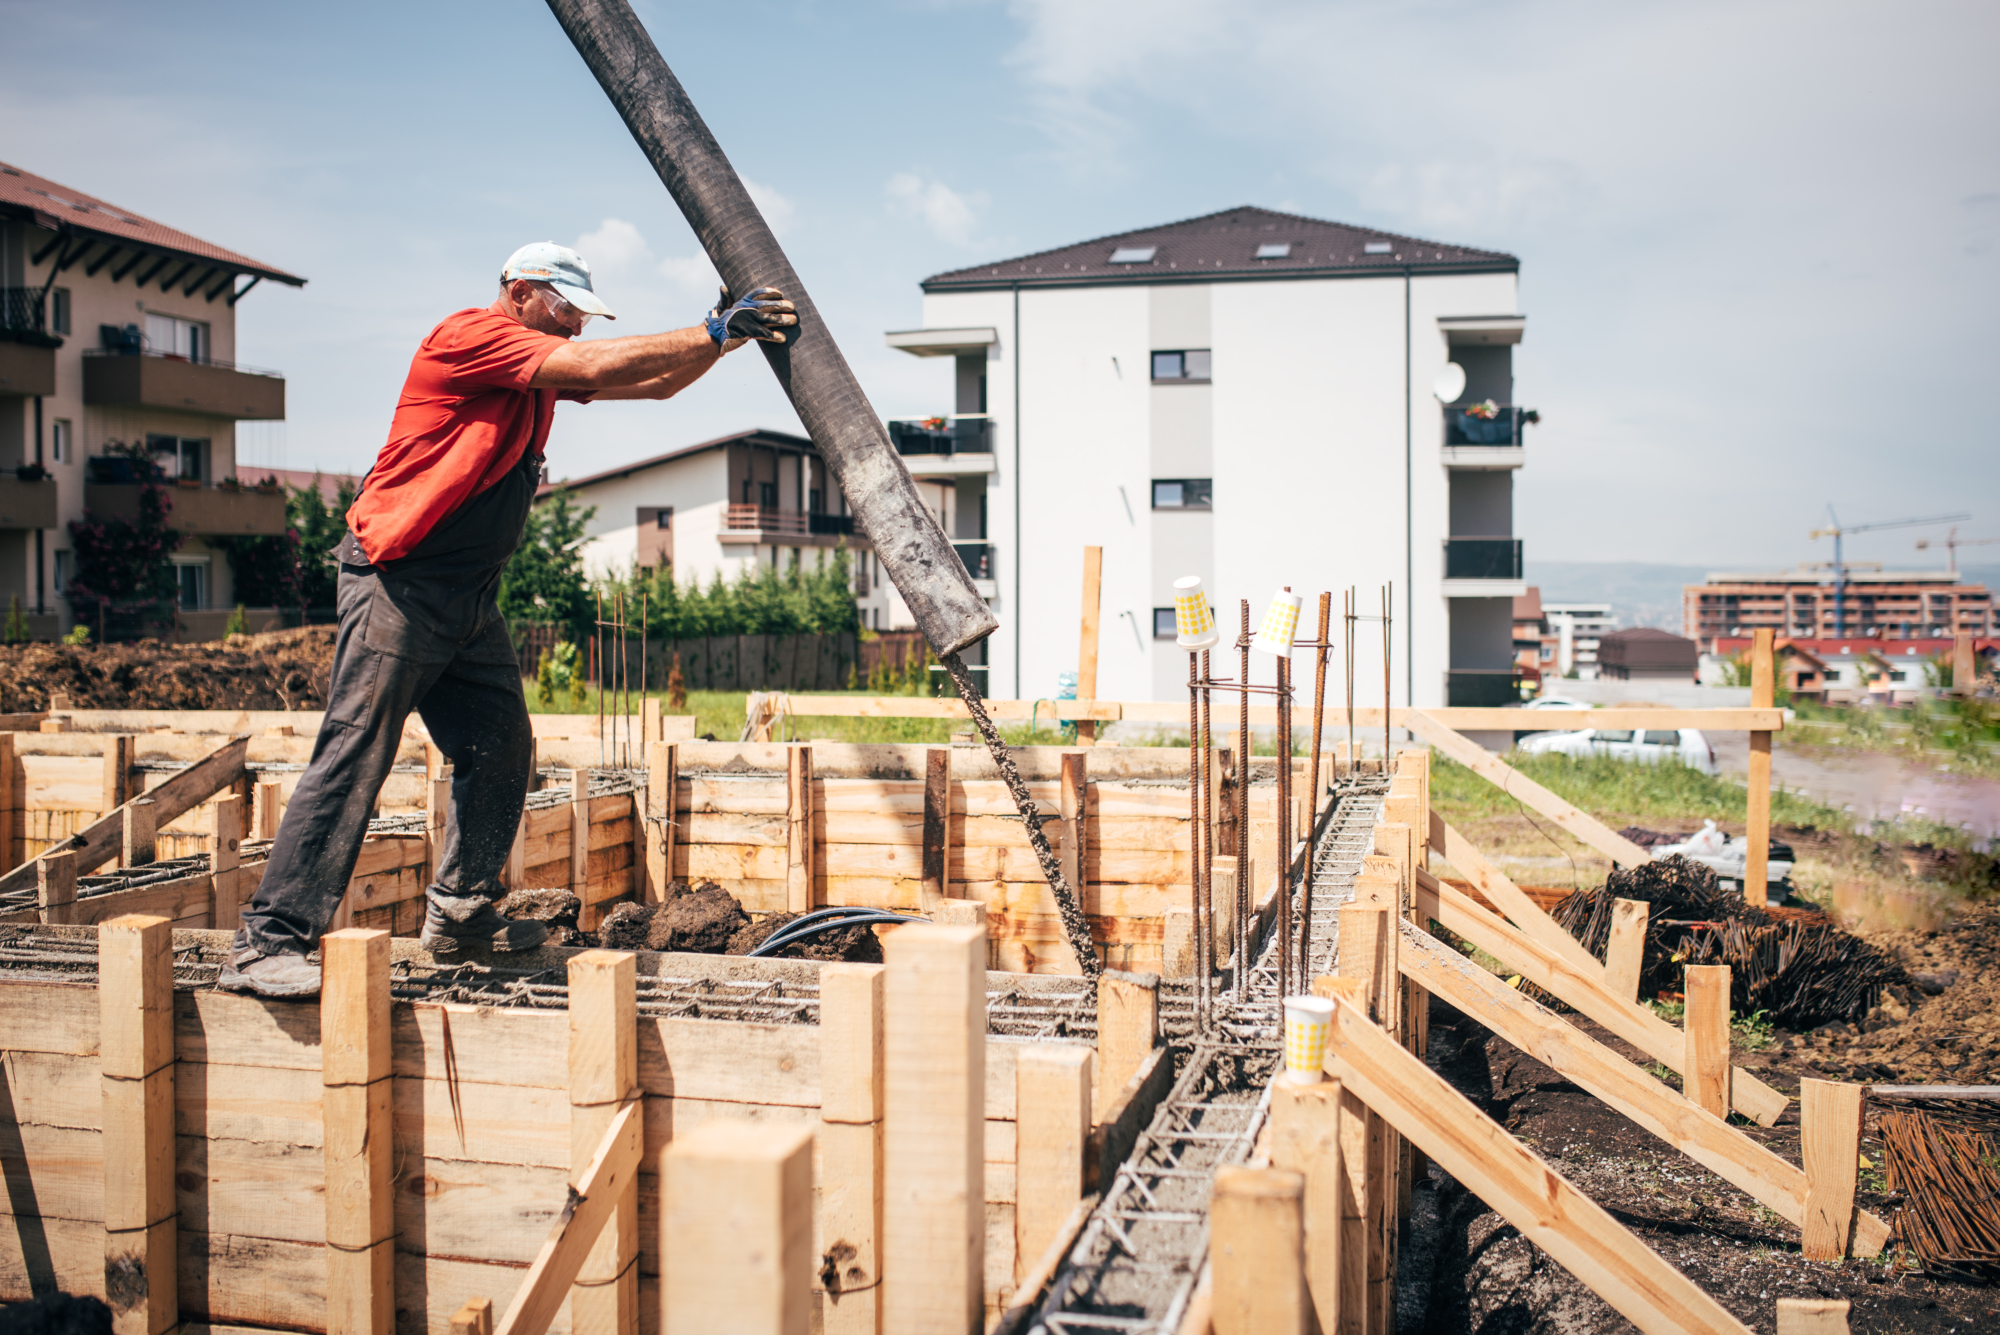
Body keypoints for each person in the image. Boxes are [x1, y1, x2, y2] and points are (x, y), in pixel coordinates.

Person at [219, 242, 795, 996]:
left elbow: (654, 386)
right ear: (520, 293)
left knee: (501, 747)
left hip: (466, 597)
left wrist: (724, 334)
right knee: (356, 749)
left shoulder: (535, 373)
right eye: (566, 311)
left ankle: (461, 911)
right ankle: (270, 938)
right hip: (397, 582)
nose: (575, 331)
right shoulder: (468, 337)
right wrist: (714, 331)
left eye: (582, 318)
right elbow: (595, 367)